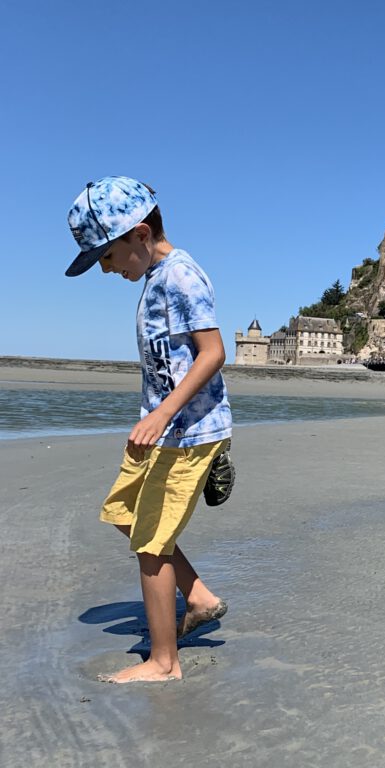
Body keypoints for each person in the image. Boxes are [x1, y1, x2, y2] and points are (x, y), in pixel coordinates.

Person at [65, 176, 232, 683]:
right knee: (123, 510)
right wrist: (154, 417)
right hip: (163, 431)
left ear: (140, 234)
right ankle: (198, 597)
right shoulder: (153, 279)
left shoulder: (181, 276)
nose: (107, 269)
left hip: (187, 432)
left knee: (152, 542)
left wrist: (161, 415)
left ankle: (164, 662)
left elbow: (214, 353)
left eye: (108, 257)